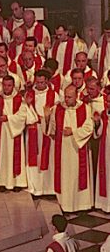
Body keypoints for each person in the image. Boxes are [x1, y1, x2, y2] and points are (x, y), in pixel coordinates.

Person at [47, 84, 94, 212]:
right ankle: (65, 205)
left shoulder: (85, 108)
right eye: (65, 97)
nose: (66, 100)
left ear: (76, 96)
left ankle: (81, 205)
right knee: (64, 176)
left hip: (77, 149)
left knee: (78, 176)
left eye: (69, 97)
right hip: (62, 150)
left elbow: (89, 127)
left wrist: (73, 131)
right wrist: (47, 118)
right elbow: (51, 128)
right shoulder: (58, 108)